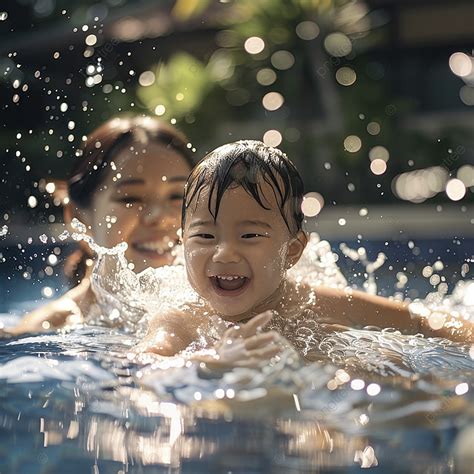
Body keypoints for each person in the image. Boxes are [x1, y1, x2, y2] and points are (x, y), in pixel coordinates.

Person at [138, 140, 474, 360]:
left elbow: (420, 321)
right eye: (206, 237)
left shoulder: (317, 303)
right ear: (183, 244)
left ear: (293, 251)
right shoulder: (182, 320)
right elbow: (144, 363)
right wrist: (210, 361)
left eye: (250, 234)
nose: (225, 253)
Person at [4, 115, 194, 336]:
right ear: (79, 218)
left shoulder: (228, 308)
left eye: (178, 195)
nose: (159, 216)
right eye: (131, 198)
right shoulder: (45, 331)